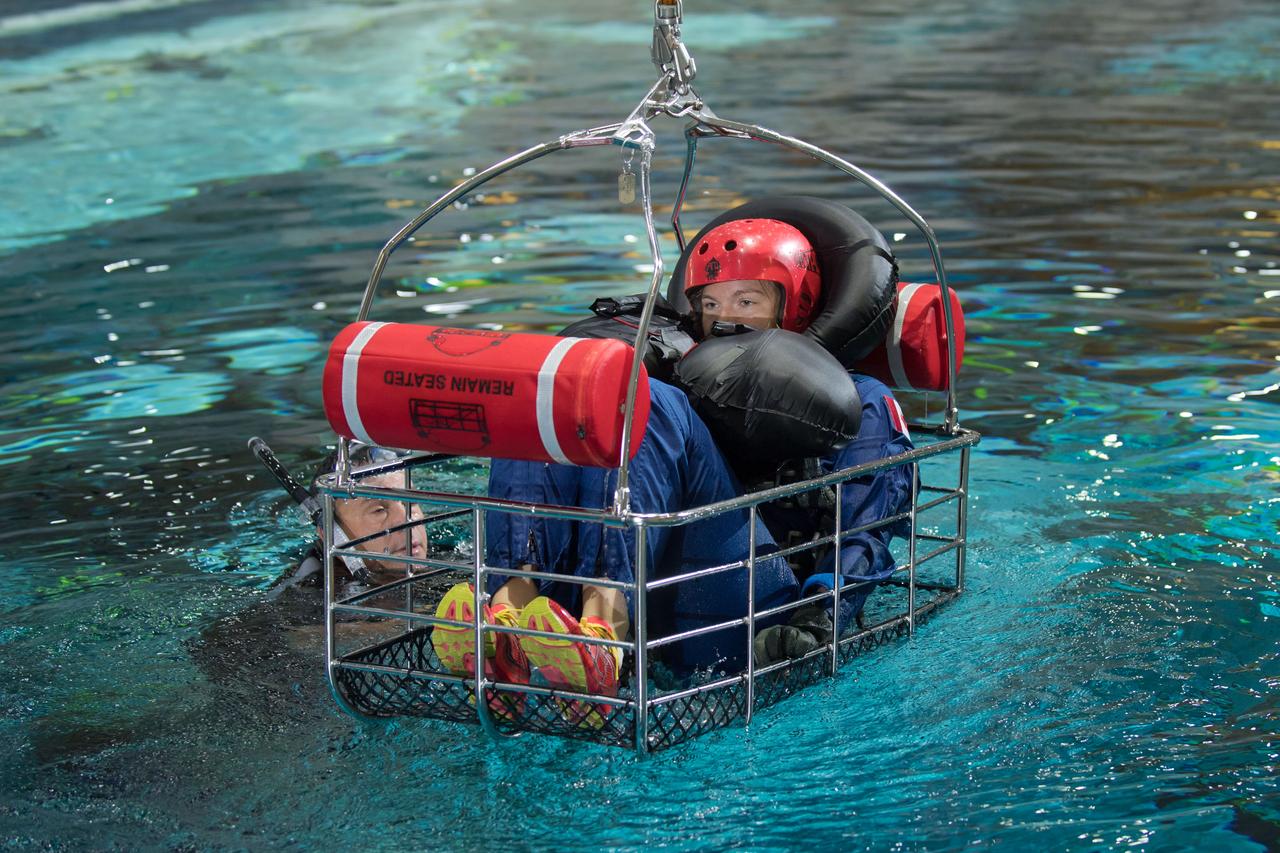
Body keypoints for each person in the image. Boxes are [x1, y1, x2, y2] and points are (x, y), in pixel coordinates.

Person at [442, 215, 915, 726]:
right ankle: (508, 618)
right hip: (650, 583)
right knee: (555, 394)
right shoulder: (679, 363)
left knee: (651, 401)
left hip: (755, 610)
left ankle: (604, 635)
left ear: (792, 307)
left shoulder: (862, 400)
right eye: (710, 303)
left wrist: (823, 615)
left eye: (747, 301)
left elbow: (869, 523)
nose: (723, 318)